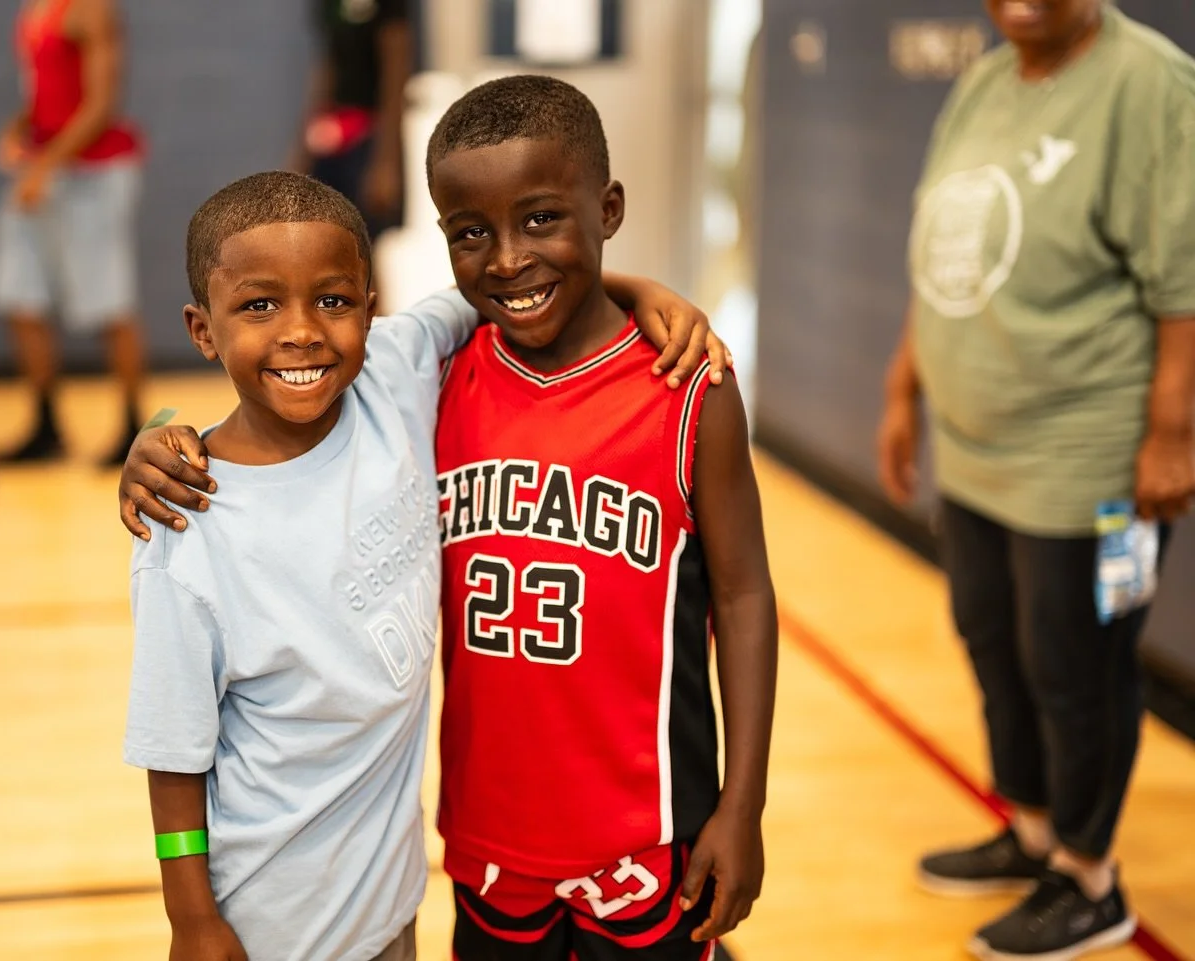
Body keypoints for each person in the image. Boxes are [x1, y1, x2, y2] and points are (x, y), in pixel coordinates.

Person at [120, 75, 775, 960]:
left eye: (542, 220)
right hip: (457, 853)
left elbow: (742, 595)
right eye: (473, 235)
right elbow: (174, 742)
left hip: (630, 838)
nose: (507, 258)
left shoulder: (669, 386)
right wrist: (155, 435)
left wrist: (743, 803)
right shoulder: (418, 382)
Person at [877, 3, 1195, 959]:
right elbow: (940, 254)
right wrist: (904, 386)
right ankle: (1033, 834)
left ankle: (1092, 882)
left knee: (1076, 663)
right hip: (978, 453)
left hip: (1087, 454)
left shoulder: (1150, 85)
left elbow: (1185, 282)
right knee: (994, 641)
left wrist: (1173, 432)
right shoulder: (985, 80)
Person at [0, 0, 147, 467]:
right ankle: (46, 424)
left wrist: (47, 166)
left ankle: (135, 425)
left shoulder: (91, 10)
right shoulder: (38, 10)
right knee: (19, 294)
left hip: (92, 173)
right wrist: (19, 127)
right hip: (44, 165)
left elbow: (101, 104)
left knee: (109, 300)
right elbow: (47, 94)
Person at [291, 0, 412, 297]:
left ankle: (377, 337)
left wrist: (386, 162)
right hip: (333, 136)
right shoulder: (329, 6)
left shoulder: (388, 9)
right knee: (324, 245)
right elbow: (329, 68)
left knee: (363, 251)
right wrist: (303, 150)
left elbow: (396, 72)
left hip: (369, 139)